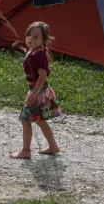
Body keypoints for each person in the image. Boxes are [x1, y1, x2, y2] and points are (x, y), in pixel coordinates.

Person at [10, 22, 62, 159]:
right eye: (29, 35)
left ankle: (26, 151)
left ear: (43, 40)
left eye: (35, 37)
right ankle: (53, 146)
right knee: (39, 120)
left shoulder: (37, 56)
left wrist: (33, 93)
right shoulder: (38, 52)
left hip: (37, 92)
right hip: (41, 90)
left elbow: (43, 75)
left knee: (25, 120)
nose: (30, 39)